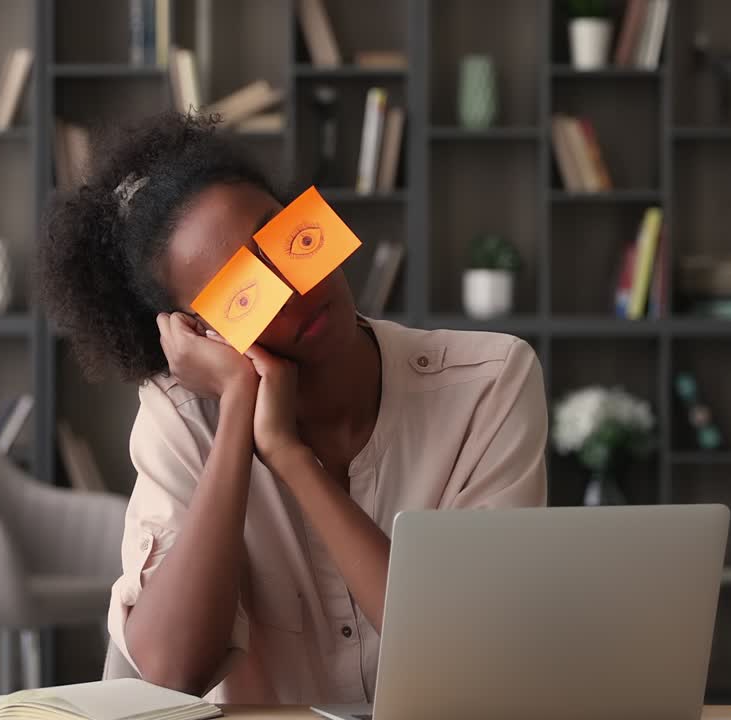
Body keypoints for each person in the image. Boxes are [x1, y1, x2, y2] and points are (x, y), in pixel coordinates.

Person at [38, 111, 547, 705]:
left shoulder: (488, 380)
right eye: (243, 291)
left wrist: (288, 456)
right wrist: (235, 413)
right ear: (198, 335)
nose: (297, 286)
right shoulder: (179, 415)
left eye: (287, 240)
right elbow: (171, 676)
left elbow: (468, 651)